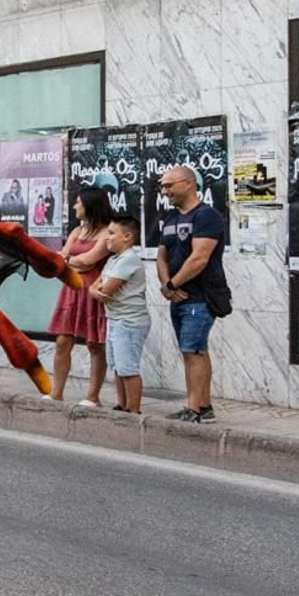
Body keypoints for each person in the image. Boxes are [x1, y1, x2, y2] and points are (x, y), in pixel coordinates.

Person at [156, 165, 227, 423]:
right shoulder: (172, 219)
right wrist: (167, 285)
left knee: (193, 351)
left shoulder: (206, 216)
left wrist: (172, 285)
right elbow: (162, 254)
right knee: (194, 351)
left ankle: (194, 409)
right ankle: (203, 406)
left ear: (188, 183)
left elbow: (200, 258)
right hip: (177, 297)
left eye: (169, 185)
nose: (165, 191)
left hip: (200, 297)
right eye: (163, 186)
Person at [46, 186, 113, 405]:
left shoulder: (107, 232)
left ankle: (93, 396)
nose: (75, 206)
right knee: (62, 341)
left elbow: (88, 260)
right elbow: (61, 258)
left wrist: (69, 260)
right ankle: (57, 392)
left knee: (95, 344)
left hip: (94, 291)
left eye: (78, 202)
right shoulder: (77, 231)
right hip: (71, 291)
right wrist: (69, 261)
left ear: (90, 205)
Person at [90, 216, 149, 413]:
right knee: (117, 366)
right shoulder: (113, 260)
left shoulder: (129, 259)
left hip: (129, 322)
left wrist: (99, 292)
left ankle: (133, 410)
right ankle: (122, 405)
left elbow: (105, 291)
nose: (107, 238)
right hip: (114, 319)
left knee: (128, 368)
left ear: (127, 236)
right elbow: (94, 287)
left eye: (112, 233)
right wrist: (97, 291)